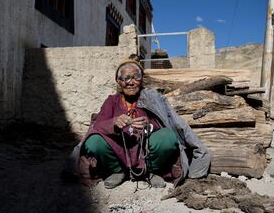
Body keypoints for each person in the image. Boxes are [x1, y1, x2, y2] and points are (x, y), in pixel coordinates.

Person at [66, 59, 210, 189]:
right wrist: (114, 123)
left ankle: (151, 171)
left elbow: (167, 121)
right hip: (119, 149)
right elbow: (98, 125)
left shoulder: (152, 98)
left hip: (146, 149)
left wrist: (150, 125)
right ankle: (117, 171)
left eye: (136, 77)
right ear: (119, 81)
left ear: (141, 80)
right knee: (93, 142)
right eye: (126, 78)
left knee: (168, 137)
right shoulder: (112, 100)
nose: (131, 82)